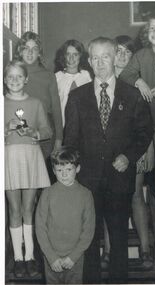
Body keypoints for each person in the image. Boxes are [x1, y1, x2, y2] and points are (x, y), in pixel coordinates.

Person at [63, 36, 154, 284]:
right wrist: (73, 172)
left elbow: (144, 132)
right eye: (95, 57)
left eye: (106, 56)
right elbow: (70, 141)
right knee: (89, 240)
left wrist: (129, 156)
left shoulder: (132, 95)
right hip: (87, 180)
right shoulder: (77, 97)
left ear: (115, 58)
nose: (101, 62)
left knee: (119, 238)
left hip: (119, 179)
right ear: (89, 61)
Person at [101, 35, 154, 270]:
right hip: (110, 148)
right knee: (108, 196)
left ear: (134, 57)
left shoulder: (138, 80)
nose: (122, 56)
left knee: (135, 195)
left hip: (135, 146)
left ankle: (145, 251)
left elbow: (146, 122)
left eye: (127, 52)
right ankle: (110, 250)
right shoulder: (104, 76)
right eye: (118, 51)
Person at [120, 12, 155, 209]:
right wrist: (139, 80)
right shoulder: (141, 55)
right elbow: (126, 74)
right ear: (147, 31)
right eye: (152, 28)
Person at [4, 60, 52, 278]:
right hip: (9, 158)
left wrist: (34, 133)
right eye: (10, 76)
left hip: (30, 158)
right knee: (13, 210)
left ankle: (30, 256)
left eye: (18, 76)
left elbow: (47, 130)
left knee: (28, 209)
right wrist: (6, 129)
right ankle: (17, 258)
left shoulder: (35, 103)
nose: (14, 80)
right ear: (5, 80)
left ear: (26, 79)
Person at [35, 147, 95, 284]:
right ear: (53, 171)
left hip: (75, 257)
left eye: (68, 169)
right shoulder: (47, 193)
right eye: (59, 170)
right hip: (51, 256)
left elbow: (88, 230)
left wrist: (73, 257)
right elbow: (40, 227)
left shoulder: (86, 195)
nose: (64, 174)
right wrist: (51, 256)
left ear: (77, 168)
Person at [13, 31, 63, 181]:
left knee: (41, 178)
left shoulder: (48, 75)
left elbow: (56, 108)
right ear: (20, 51)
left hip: (45, 132)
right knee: (22, 178)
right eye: (26, 48)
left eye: (34, 48)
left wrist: (59, 139)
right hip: (19, 128)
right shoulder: (12, 73)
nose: (30, 52)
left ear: (39, 53)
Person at [55, 39, 92, 126]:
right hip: (63, 125)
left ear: (80, 56)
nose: (71, 58)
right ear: (64, 56)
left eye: (75, 54)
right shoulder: (57, 77)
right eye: (68, 54)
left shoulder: (87, 76)